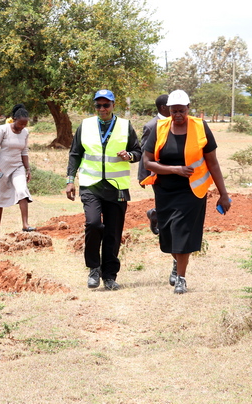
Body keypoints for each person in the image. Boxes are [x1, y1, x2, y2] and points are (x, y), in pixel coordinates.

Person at [142, 89, 231, 294]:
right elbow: (147, 162)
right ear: (168, 110)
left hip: (192, 191)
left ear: (189, 109)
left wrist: (223, 194)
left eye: (182, 110)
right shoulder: (160, 127)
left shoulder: (200, 127)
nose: (178, 115)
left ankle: (181, 278)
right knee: (169, 235)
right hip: (164, 190)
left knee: (182, 232)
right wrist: (175, 170)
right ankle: (176, 262)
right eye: (174, 111)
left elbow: (213, 163)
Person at [65, 89, 142, 291]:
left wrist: (129, 156)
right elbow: (75, 153)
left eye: (106, 105)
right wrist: (70, 179)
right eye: (98, 105)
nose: (102, 109)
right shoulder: (86, 125)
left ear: (113, 105)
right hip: (91, 184)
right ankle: (93, 268)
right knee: (93, 224)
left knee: (113, 233)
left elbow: (138, 152)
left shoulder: (125, 126)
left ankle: (109, 276)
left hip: (116, 187)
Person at [0, 104, 34, 231]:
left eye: (25, 125)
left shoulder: (25, 132)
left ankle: (25, 225)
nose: (22, 127)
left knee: (22, 191)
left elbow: (24, 152)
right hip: (2, 167)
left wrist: (28, 169)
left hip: (18, 167)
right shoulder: (3, 129)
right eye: (20, 124)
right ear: (14, 119)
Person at [139, 94, 170, 235]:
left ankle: (155, 214)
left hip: (177, 171)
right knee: (166, 203)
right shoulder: (152, 126)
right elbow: (144, 153)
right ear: (164, 107)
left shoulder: (179, 122)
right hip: (157, 173)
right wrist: (142, 176)